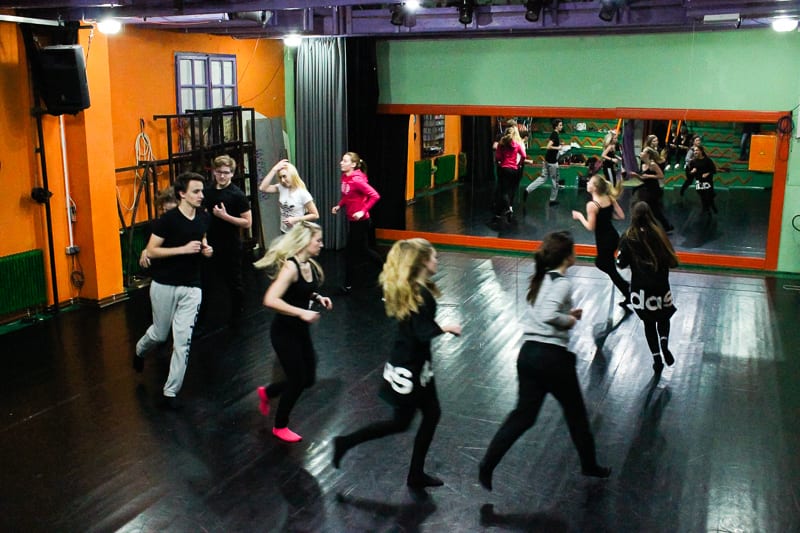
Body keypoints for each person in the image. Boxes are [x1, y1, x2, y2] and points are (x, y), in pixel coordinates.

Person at [478, 231, 611, 491]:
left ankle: (487, 464)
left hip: (528, 355)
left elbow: (543, 311)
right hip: (552, 358)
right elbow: (549, 314)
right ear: (567, 256)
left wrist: (567, 313)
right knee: (576, 415)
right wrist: (569, 320)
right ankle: (589, 465)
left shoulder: (542, 279)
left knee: (523, 416)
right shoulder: (563, 283)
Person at [332, 238, 462, 489]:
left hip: (413, 363)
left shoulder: (413, 288)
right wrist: (446, 327)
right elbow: (421, 332)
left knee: (429, 414)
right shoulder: (421, 294)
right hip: (410, 367)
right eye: (434, 256)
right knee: (401, 422)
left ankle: (415, 474)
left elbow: (417, 328)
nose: (437, 260)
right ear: (422, 261)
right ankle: (346, 442)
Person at [133, 172, 213, 409]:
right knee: (159, 335)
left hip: (192, 287)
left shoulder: (204, 217)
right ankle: (139, 350)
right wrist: (183, 249)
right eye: (196, 191)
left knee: (182, 341)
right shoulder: (166, 221)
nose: (201, 195)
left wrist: (206, 248)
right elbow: (151, 251)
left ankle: (170, 391)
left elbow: (202, 238)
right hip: (164, 284)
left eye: (202, 191)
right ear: (182, 194)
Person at [252, 221, 333, 442]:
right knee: (297, 380)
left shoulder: (309, 264)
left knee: (308, 379)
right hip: (284, 333)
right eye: (318, 240)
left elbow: (302, 290)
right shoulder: (291, 267)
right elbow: (270, 299)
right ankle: (280, 426)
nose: (321, 244)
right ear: (305, 242)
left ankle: (268, 392)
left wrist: (318, 297)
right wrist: (301, 312)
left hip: (300, 331)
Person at [616, 202, 679, 373]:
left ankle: (656, 358)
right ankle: (664, 343)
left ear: (633, 216)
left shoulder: (628, 237)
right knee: (663, 316)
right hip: (661, 285)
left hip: (640, 290)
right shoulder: (659, 233)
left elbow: (620, 263)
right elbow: (672, 260)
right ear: (650, 215)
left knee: (648, 323)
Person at [202, 155, 252, 325]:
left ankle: (237, 314)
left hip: (230, 244)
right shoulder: (207, 192)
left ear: (232, 173)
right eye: (219, 172)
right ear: (214, 172)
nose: (222, 176)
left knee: (233, 281)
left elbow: (247, 222)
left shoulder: (237, 195)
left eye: (225, 172)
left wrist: (224, 216)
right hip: (210, 243)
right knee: (207, 281)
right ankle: (205, 318)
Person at [571, 174, 630, 308]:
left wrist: (579, 216)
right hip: (613, 236)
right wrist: (605, 216)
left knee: (603, 264)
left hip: (604, 240)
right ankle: (626, 290)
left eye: (590, 182)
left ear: (595, 188)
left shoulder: (592, 205)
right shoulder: (609, 198)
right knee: (607, 265)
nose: (587, 183)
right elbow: (621, 216)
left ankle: (627, 288)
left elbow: (590, 227)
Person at [331, 152, 383, 292]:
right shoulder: (345, 177)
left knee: (351, 253)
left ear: (353, 164)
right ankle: (388, 270)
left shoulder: (357, 180)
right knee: (364, 251)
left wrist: (362, 211)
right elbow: (348, 196)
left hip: (361, 222)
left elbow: (375, 195)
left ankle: (348, 285)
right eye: (342, 160)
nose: (341, 163)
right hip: (353, 221)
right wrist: (339, 205)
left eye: (345, 161)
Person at [259, 159, 320, 233]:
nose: (282, 180)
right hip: (284, 231)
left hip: (297, 233)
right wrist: (274, 169)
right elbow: (262, 188)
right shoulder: (281, 188)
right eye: (280, 177)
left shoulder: (302, 193)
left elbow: (315, 215)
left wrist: (295, 220)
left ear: (292, 175)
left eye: (284, 176)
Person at [494, 127, 533, 226]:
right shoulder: (517, 145)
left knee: (503, 191)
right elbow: (523, 156)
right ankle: (509, 207)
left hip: (504, 169)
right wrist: (519, 164)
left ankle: (507, 209)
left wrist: (501, 161)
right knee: (511, 190)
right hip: (514, 170)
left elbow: (497, 157)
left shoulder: (501, 144)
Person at [635, 134, 673, 233]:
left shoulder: (652, 164)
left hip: (653, 189)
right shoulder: (643, 165)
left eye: (643, 152)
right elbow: (643, 178)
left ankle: (649, 226)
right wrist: (636, 176)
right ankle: (665, 226)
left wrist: (649, 176)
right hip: (646, 188)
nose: (641, 153)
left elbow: (660, 175)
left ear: (647, 155)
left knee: (650, 209)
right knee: (653, 210)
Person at [524, 119, 564, 207]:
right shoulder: (554, 134)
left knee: (543, 178)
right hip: (552, 162)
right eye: (560, 125)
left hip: (547, 160)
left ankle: (528, 189)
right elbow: (548, 146)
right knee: (555, 181)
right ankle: (552, 200)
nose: (562, 126)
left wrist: (558, 145)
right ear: (556, 126)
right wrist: (558, 148)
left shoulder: (555, 134)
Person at [138, 186, 177, 270]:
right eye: (162, 210)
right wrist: (146, 251)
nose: (165, 214)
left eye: (169, 211)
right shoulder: (154, 226)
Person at [685, 145, 717, 214]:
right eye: (694, 151)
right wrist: (692, 172)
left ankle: (712, 205)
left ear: (701, 151)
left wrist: (707, 173)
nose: (695, 152)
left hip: (708, 181)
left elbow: (714, 170)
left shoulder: (707, 160)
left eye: (697, 150)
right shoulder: (693, 162)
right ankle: (705, 209)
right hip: (699, 182)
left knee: (709, 196)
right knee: (702, 196)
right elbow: (689, 175)